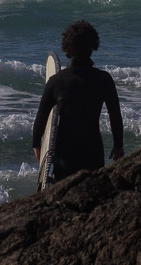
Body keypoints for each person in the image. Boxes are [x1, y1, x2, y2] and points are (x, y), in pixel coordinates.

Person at [32, 21, 124, 182]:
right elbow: (115, 116)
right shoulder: (103, 79)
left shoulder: (56, 81)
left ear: (67, 47)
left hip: (65, 155)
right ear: (93, 46)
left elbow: (41, 119)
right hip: (93, 151)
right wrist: (118, 146)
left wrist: (37, 145)